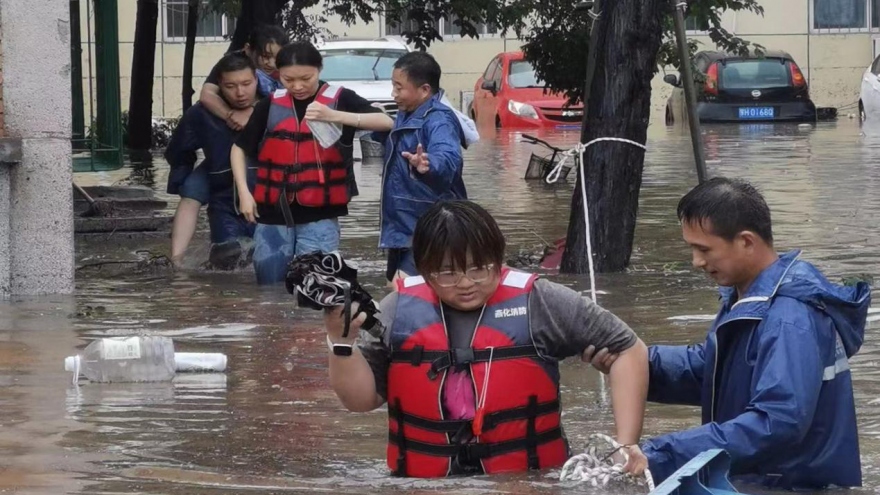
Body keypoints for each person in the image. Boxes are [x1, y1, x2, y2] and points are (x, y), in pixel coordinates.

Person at [323, 200, 650, 478]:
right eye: (448, 273)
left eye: (479, 268)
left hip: (529, 479)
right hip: (423, 481)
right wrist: (341, 343)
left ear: (499, 258)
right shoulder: (397, 310)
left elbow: (629, 348)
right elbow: (360, 401)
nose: (466, 283)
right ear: (424, 269)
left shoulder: (541, 301)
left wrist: (625, 445)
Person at [634, 178, 869, 489]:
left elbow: (776, 423)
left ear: (746, 241)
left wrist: (662, 453)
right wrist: (633, 358)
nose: (696, 262)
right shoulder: (748, 297)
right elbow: (717, 373)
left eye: (704, 249)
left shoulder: (788, 319)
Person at [230, 41, 394, 284]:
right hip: (272, 213)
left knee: (316, 289)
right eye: (288, 79)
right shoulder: (269, 104)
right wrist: (244, 193)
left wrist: (336, 116)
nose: (297, 86)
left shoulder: (341, 99)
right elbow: (239, 148)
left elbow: (387, 122)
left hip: (320, 214)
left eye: (306, 78)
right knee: (269, 289)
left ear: (320, 68)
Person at [378, 51, 468, 284]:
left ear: (425, 90)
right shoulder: (406, 113)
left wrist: (428, 165)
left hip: (430, 228)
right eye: (393, 86)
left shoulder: (439, 120)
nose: (393, 94)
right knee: (397, 289)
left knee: (407, 290)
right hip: (402, 226)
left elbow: (448, 158)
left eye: (399, 88)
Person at [165, 52, 259, 268]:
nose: (240, 92)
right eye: (230, 86)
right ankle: (177, 262)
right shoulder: (201, 115)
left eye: (246, 84)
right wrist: (181, 180)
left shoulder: (272, 108)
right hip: (223, 199)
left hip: (268, 200)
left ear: (256, 80)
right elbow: (178, 150)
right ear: (219, 85)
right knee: (228, 259)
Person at [200, 25, 288, 131]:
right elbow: (207, 94)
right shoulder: (230, 63)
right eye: (265, 56)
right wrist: (232, 117)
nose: (273, 64)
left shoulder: (287, 65)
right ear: (248, 49)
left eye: (278, 57)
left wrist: (251, 111)